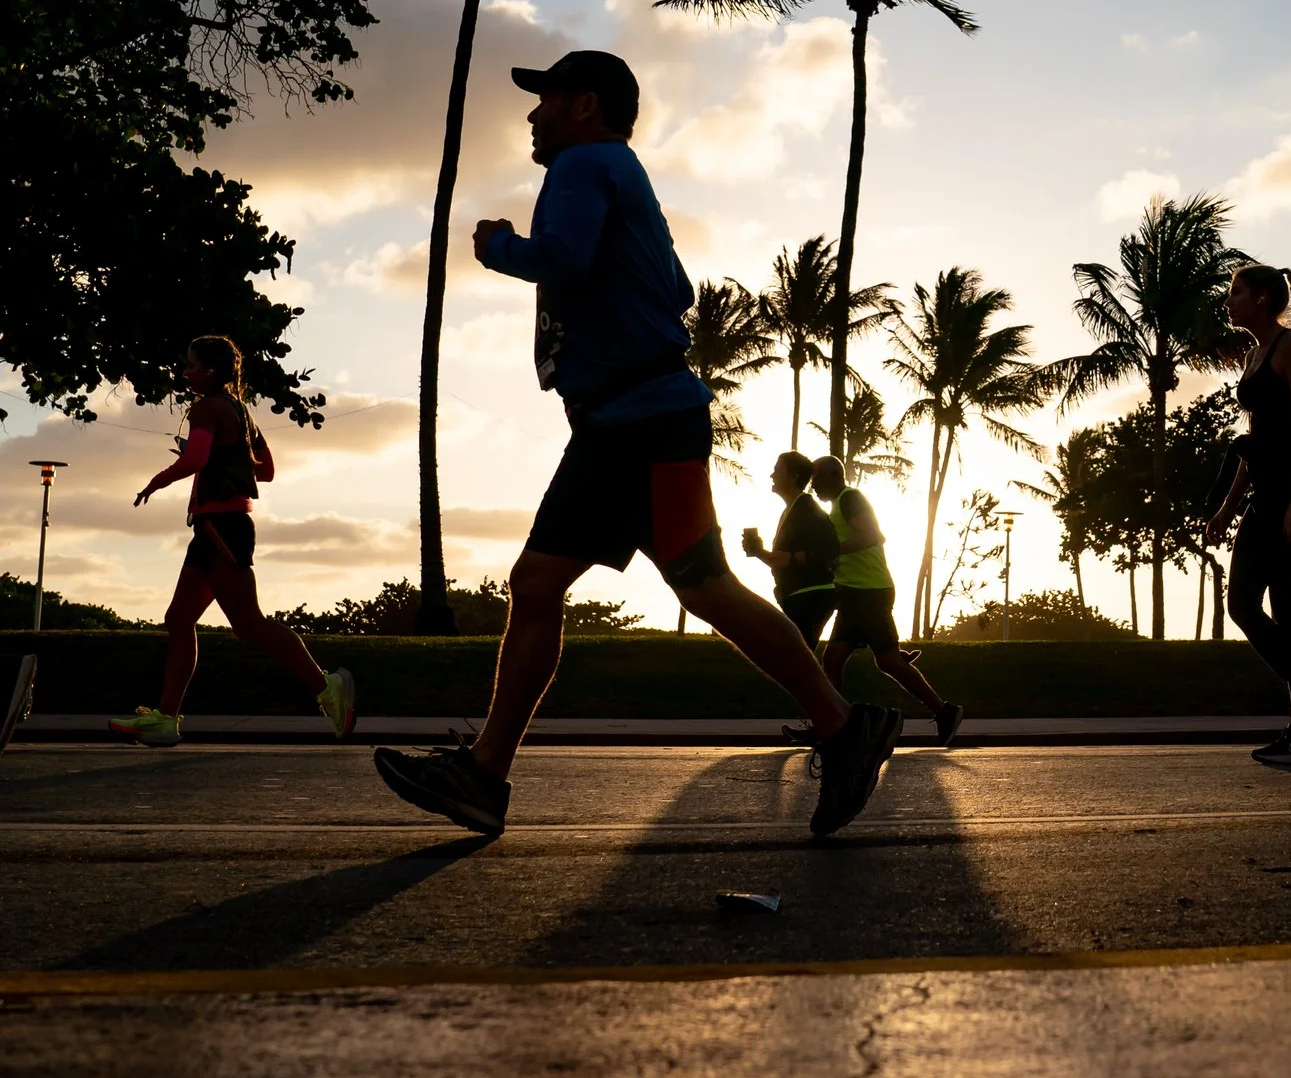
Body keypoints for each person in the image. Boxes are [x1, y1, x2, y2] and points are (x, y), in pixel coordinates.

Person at [370, 50, 897, 838]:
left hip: (630, 422)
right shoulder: (624, 171)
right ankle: (843, 726)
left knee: (538, 581)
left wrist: (501, 247)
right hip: (658, 415)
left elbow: (568, 258)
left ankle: (483, 775)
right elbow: (674, 286)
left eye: (544, 99)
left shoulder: (583, 164)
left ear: (584, 105)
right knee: (706, 585)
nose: (532, 115)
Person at [113, 335, 356, 748]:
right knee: (178, 620)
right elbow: (267, 470)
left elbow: (195, 461)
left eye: (191, 366)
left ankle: (328, 686)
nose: (186, 372)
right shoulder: (242, 413)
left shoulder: (205, 407)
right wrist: (224, 459)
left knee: (249, 625)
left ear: (209, 370)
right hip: (216, 527)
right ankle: (166, 720)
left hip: (222, 528)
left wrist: (155, 482)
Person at [1206, 263, 1291, 765]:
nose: (1229, 299)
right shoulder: (1256, 356)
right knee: (1241, 604)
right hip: (1264, 499)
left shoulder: (1290, 348)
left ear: (1261, 298)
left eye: (1236, 292)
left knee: (1288, 608)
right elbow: (1256, 444)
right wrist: (1227, 506)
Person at [811, 456, 961, 747]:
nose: (813, 484)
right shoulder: (837, 506)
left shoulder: (849, 498)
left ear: (834, 476)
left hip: (869, 590)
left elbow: (873, 536)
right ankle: (835, 725)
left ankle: (944, 712)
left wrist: (832, 551)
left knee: (888, 661)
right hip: (854, 592)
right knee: (836, 658)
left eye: (817, 478)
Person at [743, 451, 841, 640]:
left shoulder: (806, 508)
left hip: (810, 596)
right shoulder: (792, 510)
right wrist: (758, 551)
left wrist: (795, 558)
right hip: (797, 595)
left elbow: (831, 548)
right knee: (794, 659)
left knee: (793, 659)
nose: (772, 476)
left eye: (778, 471)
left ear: (794, 476)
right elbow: (782, 561)